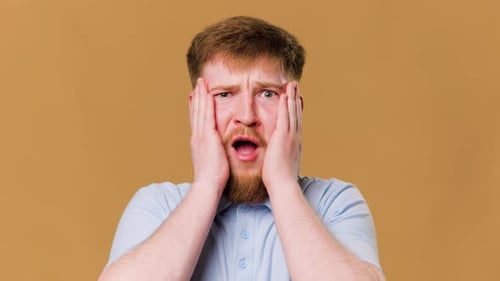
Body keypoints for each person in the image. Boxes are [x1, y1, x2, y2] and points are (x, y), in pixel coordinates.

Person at [98, 16, 384, 281]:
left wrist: (283, 184)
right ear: (196, 108)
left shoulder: (334, 202)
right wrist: (207, 184)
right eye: (224, 94)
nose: (247, 115)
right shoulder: (158, 206)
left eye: (267, 94)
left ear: (295, 108)